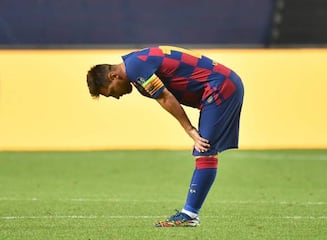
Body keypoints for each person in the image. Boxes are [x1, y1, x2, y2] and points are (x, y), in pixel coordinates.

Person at [86, 45, 244, 227]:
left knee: (204, 149)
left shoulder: (135, 67)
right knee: (205, 150)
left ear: (113, 76)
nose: (117, 97)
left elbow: (164, 97)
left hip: (221, 86)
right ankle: (190, 214)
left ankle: (190, 215)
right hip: (222, 84)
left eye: (112, 92)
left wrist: (190, 130)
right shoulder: (133, 62)